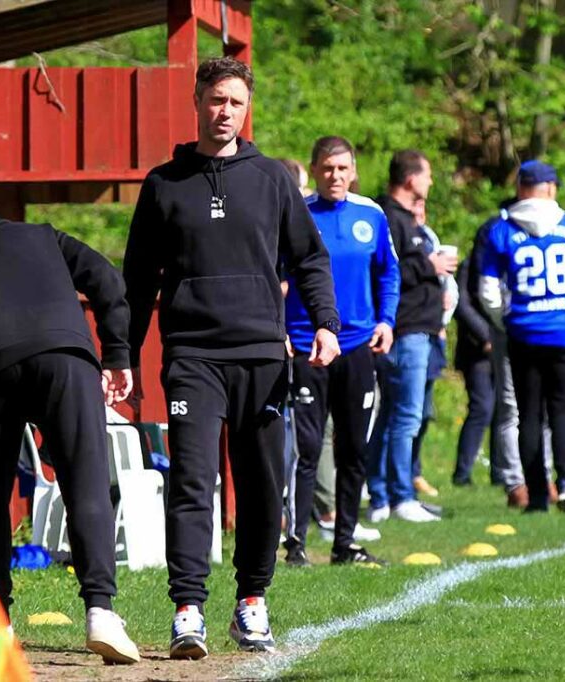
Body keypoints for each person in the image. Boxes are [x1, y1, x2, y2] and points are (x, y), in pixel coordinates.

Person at [123, 57, 339, 659]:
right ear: (197, 101)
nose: (225, 112)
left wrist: (325, 323)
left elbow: (309, 259)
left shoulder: (271, 178)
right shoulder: (163, 184)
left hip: (264, 357)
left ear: (248, 110)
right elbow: (137, 279)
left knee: (262, 485)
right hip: (192, 354)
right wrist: (121, 356)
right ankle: (187, 609)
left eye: (236, 103)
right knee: (193, 480)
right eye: (216, 100)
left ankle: (251, 603)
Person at [0, 213, 140, 664]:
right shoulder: (41, 235)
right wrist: (116, 354)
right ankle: (101, 611)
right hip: (65, 355)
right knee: (85, 481)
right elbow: (108, 280)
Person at [284, 136, 400, 567]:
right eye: (328, 168)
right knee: (307, 449)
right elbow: (276, 276)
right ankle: (295, 542)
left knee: (353, 448)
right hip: (306, 346)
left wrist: (386, 321)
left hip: (357, 348)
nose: (335, 176)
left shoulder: (371, 214)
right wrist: (281, 327)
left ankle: (344, 543)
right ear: (315, 170)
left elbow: (389, 273)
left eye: (343, 168)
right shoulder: (297, 215)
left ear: (353, 172)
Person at [480, 160, 565, 514]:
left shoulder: (501, 230)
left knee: (530, 413)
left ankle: (538, 494)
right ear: (551, 189)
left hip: (524, 330)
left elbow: (488, 290)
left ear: (521, 188)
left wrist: (507, 320)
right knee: (562, 409)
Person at [368, 151, 454, 523]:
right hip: (405, 331)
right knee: (405, 417)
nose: (431, 183)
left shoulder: (407, 220)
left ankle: (383, 495)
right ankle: (399, 496)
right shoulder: (389, 218)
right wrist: (428, 265)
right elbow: (386, 269)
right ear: (409, 179)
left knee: (393, 416)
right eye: (427, 175)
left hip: (419, 330)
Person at [409, 197, 459, 497]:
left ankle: (413, 471)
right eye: (413, 208)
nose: (419, 213)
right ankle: (398, 479)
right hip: (412, 330)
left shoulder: (429, 237)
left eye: (422, 208)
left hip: (434, 332)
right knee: (406, 412)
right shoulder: (404, 241)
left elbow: (448, 283)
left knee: (424, 411)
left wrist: (445, 308)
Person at [453, 251, 494, 487]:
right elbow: (462, 304)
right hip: (476, 350)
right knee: (482, 407)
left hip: (503, 345)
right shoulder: (472, 263)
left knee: (501, 411)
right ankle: (462, 473)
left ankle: (501, 475)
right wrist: (486, 336)